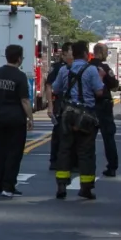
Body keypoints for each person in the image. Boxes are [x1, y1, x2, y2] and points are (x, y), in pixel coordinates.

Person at [51, 39, 103, 200]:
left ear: (73, 54)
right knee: (86, 152)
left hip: (67, 114)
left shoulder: (63, 70)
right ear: (87, 54)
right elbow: (99, 92)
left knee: (65, 150)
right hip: (86, 115)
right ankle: (85, 188)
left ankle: (61, 185)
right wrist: (100, 77)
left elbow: (56, 89)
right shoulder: (92, 70)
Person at [0, 44, 34, 197]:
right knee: (14, 153)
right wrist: (30, 118)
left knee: (0, 152)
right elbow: (25, 100)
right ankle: (8, 186)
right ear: (19, 58)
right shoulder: (20, 76)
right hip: (16, 118)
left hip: (0, 116)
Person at [90, 42, 120, 177]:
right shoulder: (105, 68)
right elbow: (114, 86)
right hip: (104, 105)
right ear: (101, 52)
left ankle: (86, 165)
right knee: (108, 137)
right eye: (106, 52)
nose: (107, 55)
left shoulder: (87, 67)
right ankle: (112, 166)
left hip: (89, 105)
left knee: (88, 138)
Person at [47, 44, 73, 173]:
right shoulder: (57, 68)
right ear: (63, 55)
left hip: (71, 105)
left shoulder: (77, 67)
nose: (72, 55)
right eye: (70, 53)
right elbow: (49, 86)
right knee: (58, 133)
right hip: (60, 104)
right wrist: (50, 105)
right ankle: (54, 160)